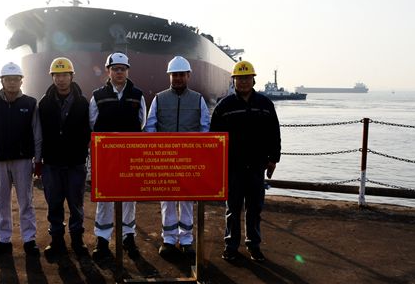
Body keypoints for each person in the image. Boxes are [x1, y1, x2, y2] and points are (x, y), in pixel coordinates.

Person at [210, 60, 281, 262]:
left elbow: (274, 134)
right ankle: (231, 246)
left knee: (254, 208)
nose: (243, 82)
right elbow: (215, 137)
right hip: (233, 167)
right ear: (233, 80)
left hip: (257, 166)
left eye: (247, 78)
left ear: (253, 80)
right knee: (232, 208)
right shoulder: (224, 106)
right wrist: (218, 164)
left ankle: (253, 245)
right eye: (239, 78)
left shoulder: (265, 105)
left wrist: (273, 159)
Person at [144, 56, 210, 259]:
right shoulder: (159, 98)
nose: (178, 78)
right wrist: (156, 152)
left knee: (187, 199)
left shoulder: (198, 99)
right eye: (175, 75)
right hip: (165, 159)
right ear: (169, 76)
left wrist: (200, 153)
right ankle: (169, 239)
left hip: (190, 160)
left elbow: (205, 128)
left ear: (188, 75)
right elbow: (150, 126)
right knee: (167, 200)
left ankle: (187, 240)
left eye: (181, 74)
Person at [0, 62, 43, 258]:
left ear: (21, 81)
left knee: (26, 200)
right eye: (8, 79)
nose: (12, 83)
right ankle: (3, 239)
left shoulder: (30, 104)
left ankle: (29, 239)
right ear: (2, 81)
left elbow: (37, 133)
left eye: (16, 79)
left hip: (22, 160)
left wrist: (38, 159)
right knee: (1, 201)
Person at [90, 52, 147, 260]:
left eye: (122, 69)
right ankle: (102, 239)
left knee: (129, 196)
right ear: (109, 71)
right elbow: (92, 123)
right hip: (106, 157)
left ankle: (128, 236)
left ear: (127, 71)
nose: (119, 72)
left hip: (130, 156)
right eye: (115, 69)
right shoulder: (98, 96)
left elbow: (142, 122)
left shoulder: (137, 95)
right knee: (105, 197)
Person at [38, 57, 91, 257]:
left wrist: (82, 151)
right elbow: (39, 133)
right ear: (52, 77)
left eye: (64, 75)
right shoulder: (44, 103)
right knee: (54, 204)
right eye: (57, 75)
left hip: (75, 163)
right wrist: (38, 159)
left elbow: (88, 130)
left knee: (76, 204)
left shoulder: (82, 103)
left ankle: (77, 240)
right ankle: (57, 240)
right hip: (52, 163)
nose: (61, 79)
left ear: (71, 76)